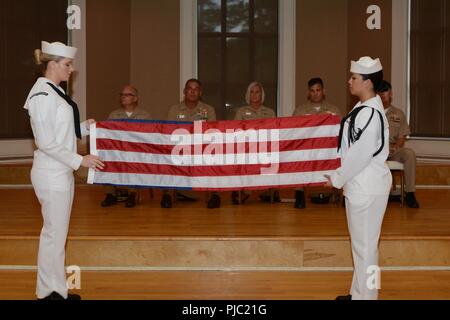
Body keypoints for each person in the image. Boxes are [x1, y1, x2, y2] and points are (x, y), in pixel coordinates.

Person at [24, 41, 104, 300]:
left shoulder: (54, 91)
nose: (71, 69)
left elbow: (61, 130)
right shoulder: (42, 94)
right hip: (51, 173)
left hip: (59, 172)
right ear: (53, 64)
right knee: (53, 236)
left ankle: (55, 290)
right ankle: (49, 293)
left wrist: (86, 127)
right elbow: (45, 141)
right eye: (67, 65)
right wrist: (79, 160)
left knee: (56, 236)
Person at [325, 57, 392, 300]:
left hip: (366, 188)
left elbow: (360, 155)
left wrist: (336, 178)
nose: (349, 81)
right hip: (364, 186)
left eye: (354, 78)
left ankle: (369, 296)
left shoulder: (370, 114)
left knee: (367, 249)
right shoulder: (364, 109)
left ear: (367, 82)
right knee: (364, 248)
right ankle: (359, 293)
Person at [162, 79, 220, 209]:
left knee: (215, 157)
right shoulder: (174, 109)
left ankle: (215, 195)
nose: (192, 91)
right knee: (167, 157)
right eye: (190, 88)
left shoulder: (208, 110)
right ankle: (167, 194)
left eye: (196, 89)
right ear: (184, 91)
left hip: (202, 149)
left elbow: (211, 132)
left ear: (200, 92)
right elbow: (169, 132)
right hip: (180, 149)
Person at [293, 78, 342, 209]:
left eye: (318, 90)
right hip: (307, 148)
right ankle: (299, 193)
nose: (315, 93)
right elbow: (294, 133)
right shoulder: (300, 111)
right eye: (312, 91)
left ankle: (340, 192)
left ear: (323, 91)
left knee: (343, 154)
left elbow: (340, 131)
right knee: (297, 157)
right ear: (308, 93)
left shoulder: (334, 110)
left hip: (328, 149)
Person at [100, 85, 150, 208]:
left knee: (134, 159)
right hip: (118, 150)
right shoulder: (114, 115)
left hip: (136, 151)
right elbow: (108, 135)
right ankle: (110, 194)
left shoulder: (145, 115)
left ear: (135, 98)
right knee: (105, 159)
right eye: (122, 95)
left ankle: (132, 194)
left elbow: (148, 137)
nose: (123, 97)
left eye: (127, 95)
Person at [234, 81, 278, 205]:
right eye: (251, 92)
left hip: (265, 147)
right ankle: (244, 191)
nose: (254, 95)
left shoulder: (270, 112)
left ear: (262, 95)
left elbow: (274, 132)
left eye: (257, 92)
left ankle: (266, 191)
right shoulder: (241, 112)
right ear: (248, 95)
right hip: (247, 148)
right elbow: (236, 131)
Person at [377, 81, 419, 208]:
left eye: (385, 91)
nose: (383, 94)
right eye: (380, 91)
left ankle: (410, 193)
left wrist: (395, 147)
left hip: (392, 149)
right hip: (375, 150)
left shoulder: (398, 114)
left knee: (409, 154)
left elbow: (402, 136)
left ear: (391, 93)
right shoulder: (371, 111)